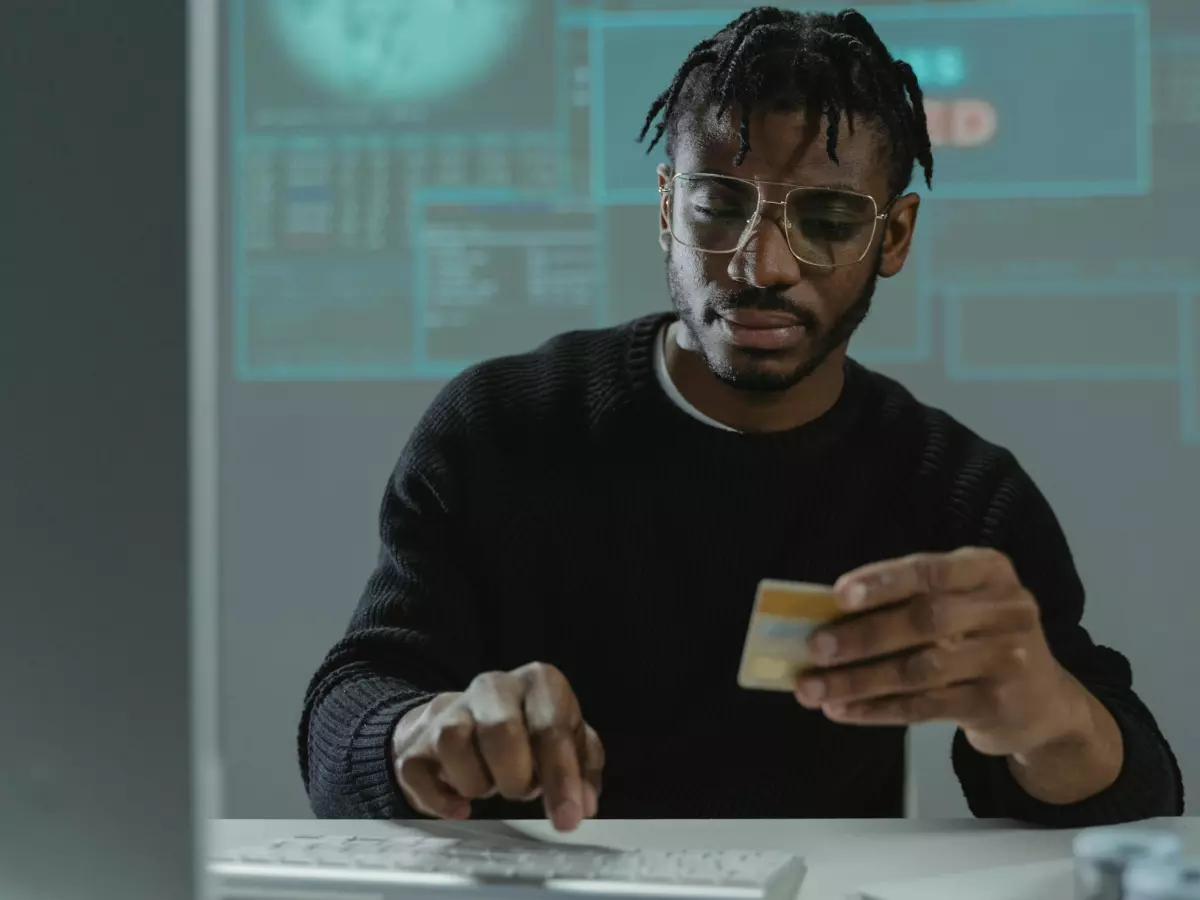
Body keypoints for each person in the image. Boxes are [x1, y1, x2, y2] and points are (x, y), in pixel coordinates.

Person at [298, 6, 1182, 830]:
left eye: (830, 219)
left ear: (896, 237)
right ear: (664, 208)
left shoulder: (956, 493)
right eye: (717, 206)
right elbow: (354, 702)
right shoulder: (501, 427)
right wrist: (419, 734)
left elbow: (1138, 790)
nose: (761, 264)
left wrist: (1047, 718)